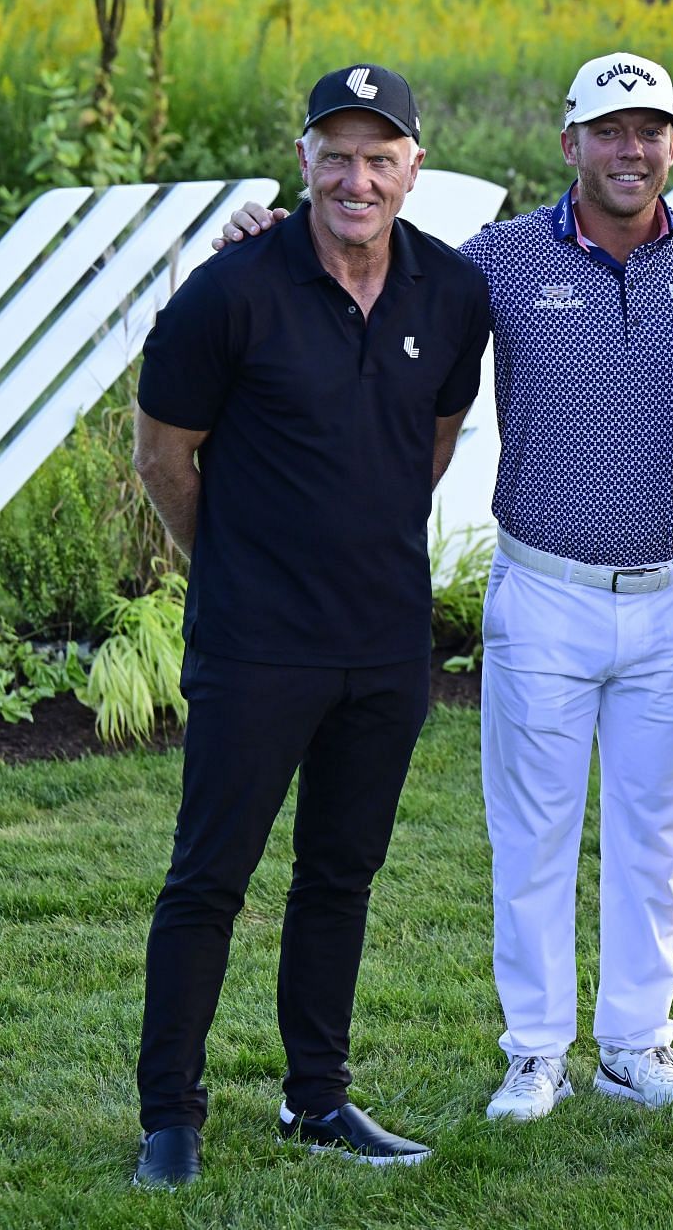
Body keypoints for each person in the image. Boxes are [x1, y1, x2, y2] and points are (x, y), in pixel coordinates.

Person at [215, 52, 673, 1122]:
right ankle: (536, 1049)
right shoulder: (499, 261)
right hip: (544, 588)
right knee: (534, 830)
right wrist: (268, 244)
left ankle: (639, 1044)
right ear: (570, 145)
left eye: (649, 131)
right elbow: (369, 276)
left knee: (657, 834)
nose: (630, 150)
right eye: (608, 131)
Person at [130, 63, 490, 1186]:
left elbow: (430, 442)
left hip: (383, 644)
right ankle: (170, 1120)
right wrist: (233, 563)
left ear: (412, 168)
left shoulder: (450, 294)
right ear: (303, 161)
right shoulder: (232, 289)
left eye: (380, 156)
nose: (357, 177)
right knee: (210, 878)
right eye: (336, 153)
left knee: (340, 873)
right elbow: (162, 454)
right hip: (255, 643)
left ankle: (317, 1098)